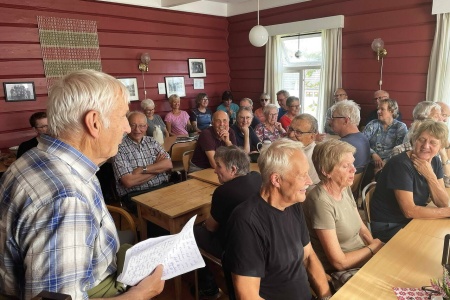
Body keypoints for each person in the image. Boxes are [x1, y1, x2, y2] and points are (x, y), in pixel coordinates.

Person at [0, 70, 165, 299]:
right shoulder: (66, 199)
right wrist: (141, 294)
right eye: (122, 117)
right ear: (94, 122)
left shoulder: (37, 157)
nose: (127, 128)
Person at [222, 139, 332, 300]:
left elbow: (308, 257)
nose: (309, 181)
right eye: (303, 175)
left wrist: (326, 296)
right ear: (276, 180)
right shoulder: (246, 222)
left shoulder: (292, 203)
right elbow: (248, 296)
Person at [304, 139, 383, 275]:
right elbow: (339, 263)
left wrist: (376, 252)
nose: (354, 169)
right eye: (345, 166)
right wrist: (373, 248)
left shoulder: (344, 187)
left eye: (352, 163)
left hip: (363, 256)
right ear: (326, 171)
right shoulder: (320, 201)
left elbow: (362, 229)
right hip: (342, 271)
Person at [194, 146, 262, 297]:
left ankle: (208, 287)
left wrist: (202, 224)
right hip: (259, 240)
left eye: (219, 166)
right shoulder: (257, 177)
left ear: (233, 169)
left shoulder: (224, 192)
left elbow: (211, 228)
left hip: (236, 249)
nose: (215, 170)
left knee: (194, 232)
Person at [370, 120, 450, 242]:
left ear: (440, 147)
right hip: (389, 225)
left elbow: (443, 203)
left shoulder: (435, 161)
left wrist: (430, 175)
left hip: (410, 221)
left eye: (433, 142)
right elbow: (409, 211)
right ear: (414, 140)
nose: (426, 146)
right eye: (422, 139)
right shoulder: (400, 165)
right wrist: (446, 212)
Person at [112, 111, 173, 211]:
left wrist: (142, 169)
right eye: (133, 125)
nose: (137, 130)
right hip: (136, 195)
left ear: (146, 127)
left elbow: (168, 164)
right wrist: (157, 168)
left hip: (162, 187)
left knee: (184, 204)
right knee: (162, 214)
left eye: (141, 126)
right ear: (127, 126)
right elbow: (128, 181)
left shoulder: (152, 141)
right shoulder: (119, 148)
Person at [363, 98, 407, 172]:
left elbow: (399, 149)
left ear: (391, 111)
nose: (378, 111)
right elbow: (362, 142)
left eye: (382, 109)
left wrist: (385, 162)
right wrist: (373, 154)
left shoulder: (400, 127)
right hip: (370, 162)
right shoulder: (373, 124)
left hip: (392, 163)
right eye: (378, 109)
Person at [329, 100, 370, 174]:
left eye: (333, 118)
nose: (330, 121)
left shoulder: (342, 145)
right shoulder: (363, 139)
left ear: (345, 120)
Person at [287, 114, 320, 191]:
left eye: (298, 132)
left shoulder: (312, 157)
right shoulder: (292, 148)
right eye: (290, 129)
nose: (291, 135)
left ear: (312, 136)